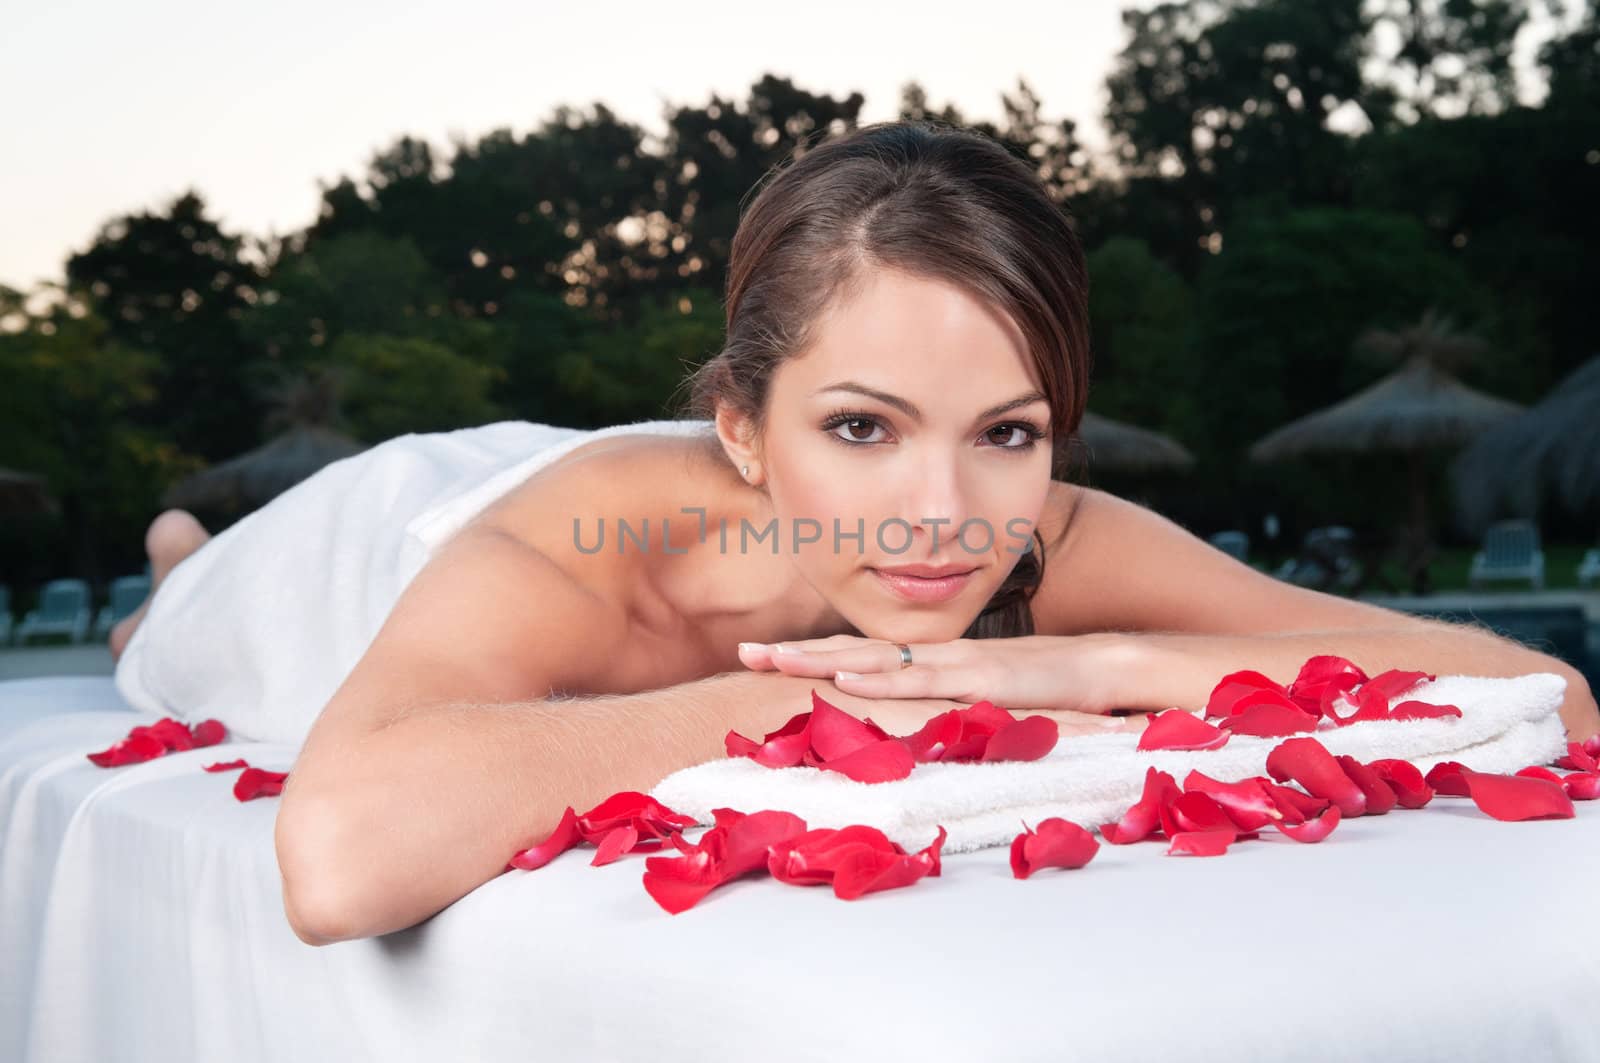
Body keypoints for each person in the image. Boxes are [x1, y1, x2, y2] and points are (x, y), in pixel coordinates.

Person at [109, 119, 1599, 947]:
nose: (946, 518)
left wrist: (1104, 662)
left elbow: (1540, 693)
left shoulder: (1042, 539)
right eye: (865, 428)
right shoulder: (592, 553)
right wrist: (808, 691)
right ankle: (180, 557)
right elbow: (344, 860)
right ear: (746, 424)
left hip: (634, 500)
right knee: (175, 624)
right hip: (369, 541)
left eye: (1006, 431)